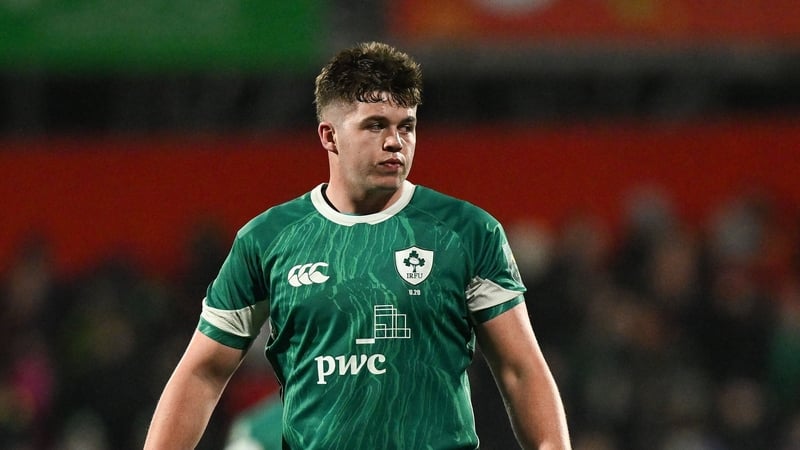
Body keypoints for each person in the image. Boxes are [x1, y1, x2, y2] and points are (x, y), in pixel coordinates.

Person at [143, 41, 571, 450]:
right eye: (375, 125)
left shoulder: (467, 231)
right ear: (329, 136)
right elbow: (203, 371)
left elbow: (520, 370)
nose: (395, 142)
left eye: (407, 126)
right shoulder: (268, 239)